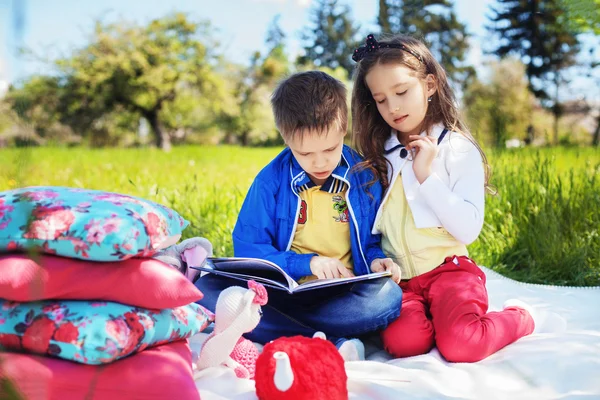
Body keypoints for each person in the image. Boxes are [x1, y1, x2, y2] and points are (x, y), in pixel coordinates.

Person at [350, 34, 539, 363]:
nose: (392, 107)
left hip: (449, 271)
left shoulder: (456, 148)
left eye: (401, 92)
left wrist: (426, 177)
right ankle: (439, 321)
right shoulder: (377, 155)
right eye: (380, 99)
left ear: (430, 85)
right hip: (403, 281)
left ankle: (519, 319)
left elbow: (467, 230)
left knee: (462, 345)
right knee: (404, 343)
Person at [195, 70, 403, 361]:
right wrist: (308, 263)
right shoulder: (269, 182)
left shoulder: (363, 176)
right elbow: (249, 251)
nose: (320, 163)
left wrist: (376, 261)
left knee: (387, 298)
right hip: (282, 295)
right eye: (305, 153)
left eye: (330, 149)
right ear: (285, 137)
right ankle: (325, 341)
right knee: (205, 288)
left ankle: (288, 332)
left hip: (341, 297)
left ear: (344, 128)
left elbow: (369, 241)